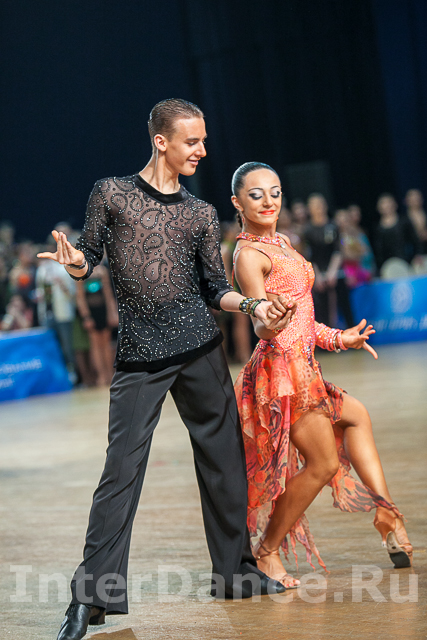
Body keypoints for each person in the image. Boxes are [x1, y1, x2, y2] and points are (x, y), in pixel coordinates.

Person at [37, 100, 289, 640]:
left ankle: (236, 573)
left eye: (203, 141)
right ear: (161, 141)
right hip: (140, 358)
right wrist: (75, 263)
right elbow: (88, 256)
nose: (202, 151)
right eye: (192, 141)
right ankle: (91, 598)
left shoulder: (200, 213)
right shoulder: (111, 194)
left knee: (225, 462)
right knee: (120, 473)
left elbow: (214, 287)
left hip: (200, 349)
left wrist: (253, 305)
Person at [231, 162, 412, 589]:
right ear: (237, 203)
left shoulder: (283, 243)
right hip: (281, 373)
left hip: (304, 366)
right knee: (324, 462)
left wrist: (339, 338)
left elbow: (304, 323)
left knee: (357, 416)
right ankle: (267, 550)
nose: (269, 201)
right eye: (256, 195)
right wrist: (269, 320)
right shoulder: (249, 255)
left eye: (275, 192)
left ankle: (387, 515)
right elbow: (262, 324)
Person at [305, 194, 354, 328]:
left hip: (336, 272)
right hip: (319, 276)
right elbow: (310, 256)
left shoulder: (333, 226)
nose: (318, 208)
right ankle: (327, 339)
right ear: (310, 209)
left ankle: (353, 334)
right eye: (314, 206)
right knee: (323, 311)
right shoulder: (308, 230)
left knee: (346, 306)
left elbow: (338, 250)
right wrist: (317, 275)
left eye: (320, 204)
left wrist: (333, 272)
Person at [75, 263, 118, 386]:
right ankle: (101, 375)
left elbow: (108, 293)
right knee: (96, 345)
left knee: (106, 345)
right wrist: (86, 316)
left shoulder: (102, 271)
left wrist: (112, 313)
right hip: (91, 311)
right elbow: (80, 296)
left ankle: (109, 374)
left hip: (103, 310)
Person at [375, 193, 421, 269]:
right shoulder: (377, 228)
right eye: (383, 203)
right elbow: (378, 251)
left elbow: (415, 240)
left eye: (389, 202)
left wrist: (418, 255)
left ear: (395, 204)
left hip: (406, 262)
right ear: (379, 207)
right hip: (387, 266)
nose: (387, 205)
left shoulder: (404, 221)